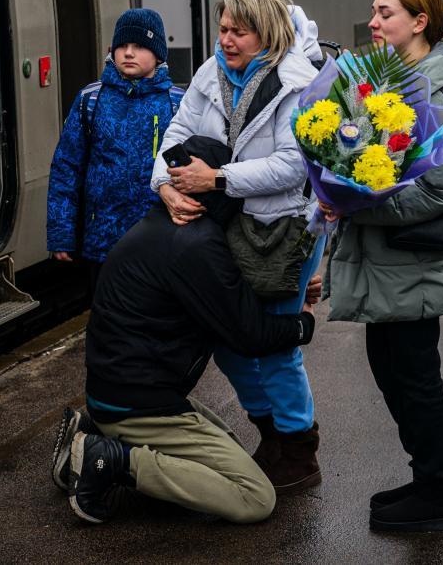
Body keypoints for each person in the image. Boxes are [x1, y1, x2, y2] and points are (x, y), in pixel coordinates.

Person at [52, 136, 321, 525]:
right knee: (253, 495)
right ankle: (111, 459)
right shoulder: (195, 245)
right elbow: (249, 335)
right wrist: (305, 319)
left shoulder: (159, 226)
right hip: (142, 406)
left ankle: (99, 433)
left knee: (226, 457)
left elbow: (223, 298)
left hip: (119, 392)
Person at [149, 0, 325, 493]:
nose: (225, 40)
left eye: (237, 31)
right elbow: (175, 135)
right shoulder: (210, 73)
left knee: (272, 344)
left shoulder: (299, 82)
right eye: (222, 28)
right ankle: (270, 432)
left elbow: (296, 167)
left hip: (282, 228)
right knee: (224, 337)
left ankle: (297, 451)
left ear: (264, 34)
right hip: (223, 225)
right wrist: (164, 186)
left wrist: (218, 179)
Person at [319, 0, 443, 532]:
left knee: (414, 375)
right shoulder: (393, 82)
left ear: (420, 23)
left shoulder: (433, 92)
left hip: (414, 260)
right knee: (391, 370)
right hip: (390, 260)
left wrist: (358, 206)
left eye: (385, 13)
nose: (375, 22)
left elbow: (440, 190)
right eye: (373, 11)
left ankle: (437, 495)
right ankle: (425, 478)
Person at [46, 8, 183, 283]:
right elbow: (67, 167)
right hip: (102, 240)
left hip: (159, 237)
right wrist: (61, 233)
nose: (129, 53)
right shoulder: (91, 100)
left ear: (158, 54)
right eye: (122, 46)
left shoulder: (177, 102)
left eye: (140, 46)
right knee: (106, 312)